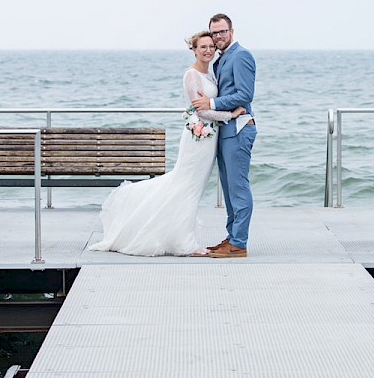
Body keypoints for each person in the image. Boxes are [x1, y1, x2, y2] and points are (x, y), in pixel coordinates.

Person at [88, 31, 245, 256]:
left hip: (208, 139)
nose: (208, 50)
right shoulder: (191, 75)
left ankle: (177, 235)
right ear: (194, 50)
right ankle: (185, 243)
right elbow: (201, 110)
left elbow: (210, 104)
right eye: (203, 47)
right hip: (197, 140)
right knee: (186, 186)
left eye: (211, 46)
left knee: (193, 188)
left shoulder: (210, 75)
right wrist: (230, 115)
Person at [192, 13, 256, 258]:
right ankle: (232, 237)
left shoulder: (241, 56)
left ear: (232, 31)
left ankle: (239, 243)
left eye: (222, 31)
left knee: (238, 189)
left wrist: (211, 102)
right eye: (214, 32)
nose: (218, 36)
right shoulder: (221, 60)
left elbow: (245, 94)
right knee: (229, 189)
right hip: (225, 130)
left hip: (239, 128)